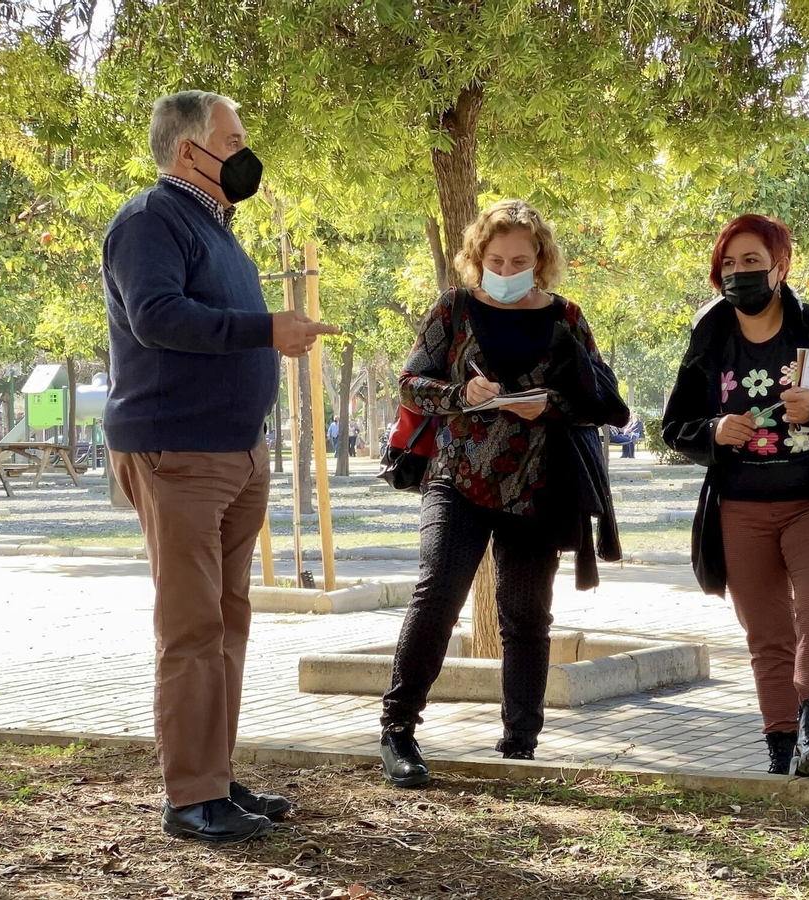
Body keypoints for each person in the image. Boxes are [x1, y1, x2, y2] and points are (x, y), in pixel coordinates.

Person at [103, 90, 337, 842]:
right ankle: (190, 795)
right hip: (178, 452)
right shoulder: (149, 222)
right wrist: (269, 328)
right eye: (232, 141)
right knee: (192, 627)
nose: (245, 154)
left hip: (235, 451)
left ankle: (214, 776)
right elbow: (158, 317)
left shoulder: (214, 227)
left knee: (228, 619)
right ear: (187, 153)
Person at [379, 199, 626, 788]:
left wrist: (552, 405)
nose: (508, 270)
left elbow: (606, 403)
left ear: (540, 258)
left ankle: (520, 742)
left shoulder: (567, 317)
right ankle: (397, 730)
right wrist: (463, 393)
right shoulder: (454, 308)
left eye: (520, 259)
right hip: (457, 478)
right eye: (496, 259)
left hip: (536, 487)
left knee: (525, 616)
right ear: (476, 257)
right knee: (438, 592)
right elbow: (411, 383)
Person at [662, 215, 809, 778]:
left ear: (780, 267)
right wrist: (714, 431)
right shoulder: (711, 334)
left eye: (752, 263)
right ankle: (780, 746)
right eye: (729, 265)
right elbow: (676, 425)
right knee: (767, 633)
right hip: (741, 508)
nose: (739, 275)